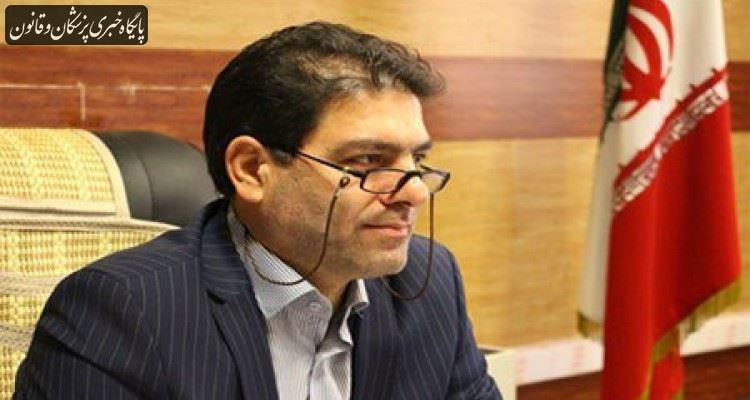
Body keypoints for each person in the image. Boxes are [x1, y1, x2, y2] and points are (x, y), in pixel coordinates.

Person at [14, 21, 501, 400]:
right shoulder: (124, 309)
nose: (414, 193)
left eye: (417, 160)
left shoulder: (430, 284)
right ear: (251, 169)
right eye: (369, 161)